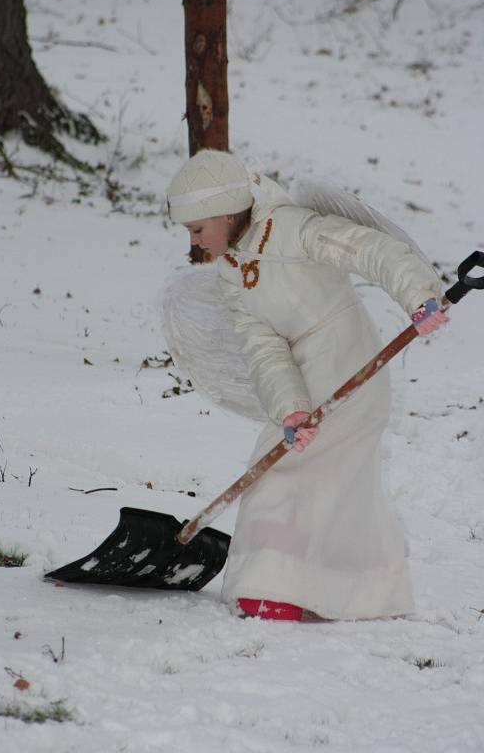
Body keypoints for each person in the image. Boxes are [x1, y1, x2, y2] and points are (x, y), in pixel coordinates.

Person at [166, 149, 449, 623]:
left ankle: (279, 588)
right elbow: (264, 349)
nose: (195, 242)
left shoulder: (293, 228)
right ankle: (343, 589)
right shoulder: (233, 273)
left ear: (227, 213)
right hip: (310, 381)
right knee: (319, 481)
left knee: (291, 475)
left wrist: (418, 294)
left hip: (351, 367)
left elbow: (369, 249)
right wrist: (290, 409)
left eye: (197, 230)